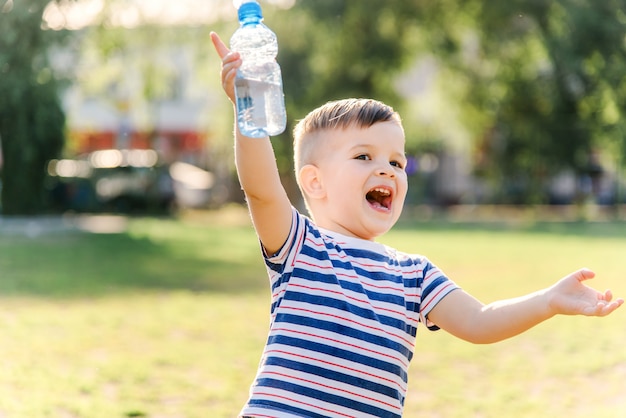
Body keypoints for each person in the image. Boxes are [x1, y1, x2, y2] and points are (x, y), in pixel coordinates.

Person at [210, 32, 623, 418]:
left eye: (396, 161)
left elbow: (479, 320)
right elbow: (261, 189)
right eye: (363, 157)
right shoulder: (301, 246)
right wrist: (247, 109)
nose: (387, 170)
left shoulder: (413, 274)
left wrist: (549, 300)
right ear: (314, 182)